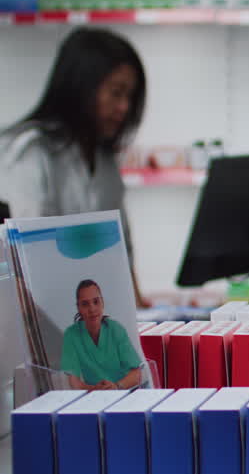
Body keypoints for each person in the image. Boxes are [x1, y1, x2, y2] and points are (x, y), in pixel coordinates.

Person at [0, 26, 150, 307]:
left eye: (130, 97)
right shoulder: (32, 152)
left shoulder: (105, 160)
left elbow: (122, 250)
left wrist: (139, 307)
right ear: (83, 88)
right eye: (116, 93)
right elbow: (32, 256)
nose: (124, 108)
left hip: (90, 310)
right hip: (42, 312)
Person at [61, 279, 143, 390]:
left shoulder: (116, 330)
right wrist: (96, 390)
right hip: (92, 396)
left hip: (123, 392)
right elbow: (74, 382)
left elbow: (136, 374)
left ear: (102, 303)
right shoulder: (71, 335)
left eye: (96, 302)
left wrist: (116, 387)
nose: (92, 309)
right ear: (78, 308)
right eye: (85, 304)